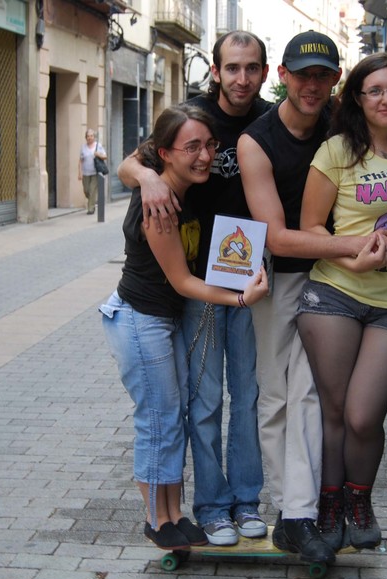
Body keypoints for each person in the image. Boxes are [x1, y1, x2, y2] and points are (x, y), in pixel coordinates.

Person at [237, 31, 387, 565]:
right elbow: (278, 236)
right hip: (281, 275)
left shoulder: (343, 122)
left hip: (336, 280)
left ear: (336, 79)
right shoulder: (256, 140)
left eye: (322, 74)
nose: (312, 85)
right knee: (276, 394)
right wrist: (356, 244)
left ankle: (302, 514)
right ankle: (289, 507)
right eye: (302, 74)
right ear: (282, 76)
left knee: (312, 396)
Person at [118, 31, 272, 546]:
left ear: (265, 72)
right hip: (197, 284)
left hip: (246, 269)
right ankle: (210, 507)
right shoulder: (192, 116)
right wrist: (148, 178)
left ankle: (247, 500)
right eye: (233, 67)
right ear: (216, 69)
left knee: (246, 394)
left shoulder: (269, 119)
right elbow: (131, 162)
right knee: (202, 400)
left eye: (252, 67)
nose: (242, 78)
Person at [296, 53, 387, 551]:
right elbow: (312, 228)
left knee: (363, 415)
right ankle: (329, 506)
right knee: (334, 413)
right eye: (374, 90)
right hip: (336, 293)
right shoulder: (335, 151)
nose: (385, 99)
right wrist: (353, 260)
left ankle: (360, 499)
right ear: (357, 97)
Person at [79, 128, 107, 215]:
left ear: (94, 137)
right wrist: (79, 172)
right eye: (88, 136)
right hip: (86, 173)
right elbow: (80, 160)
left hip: (95, 172)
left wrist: (98, 154)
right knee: (86, 191)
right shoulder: (83, 147)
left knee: (92, 190)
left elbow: (105, 156)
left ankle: (91, 208)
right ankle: (92, 201)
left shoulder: (98, 146)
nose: (89, 138)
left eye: (91, 136)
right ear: (86, 137)